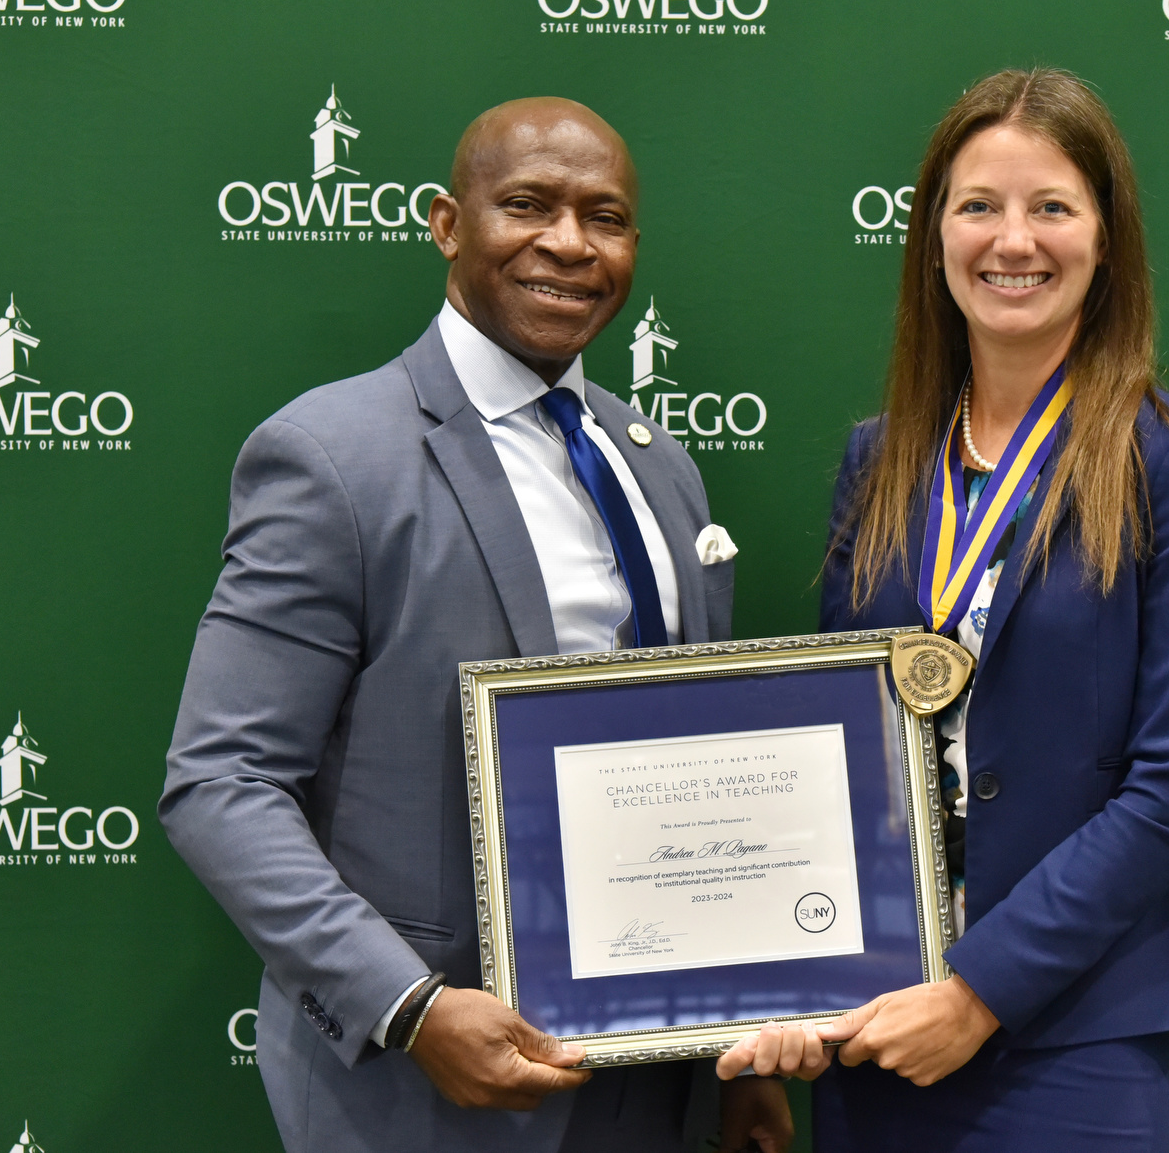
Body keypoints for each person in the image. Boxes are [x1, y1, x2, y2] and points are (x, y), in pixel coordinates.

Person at [159, 98, 790, 1153]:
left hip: (651, 1084)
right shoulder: (332, 456)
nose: (568, 244)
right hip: (429, 1089)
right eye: (528, 206)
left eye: (606, 217)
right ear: (449, 223)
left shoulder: (660, 466)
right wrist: (407, 1004)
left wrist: (739, 1052)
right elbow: (221, 782)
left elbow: (700, 767)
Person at [742, 67, 1169, 1149]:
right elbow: (835, 743)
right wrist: (781, 971)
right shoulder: (879, 461)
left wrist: (977, 991)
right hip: (874, 1015)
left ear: (1106, 239)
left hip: (1073, 1031)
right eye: (978, 205)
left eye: (1051, 207)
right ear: (933, 236)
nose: (1011, 240)